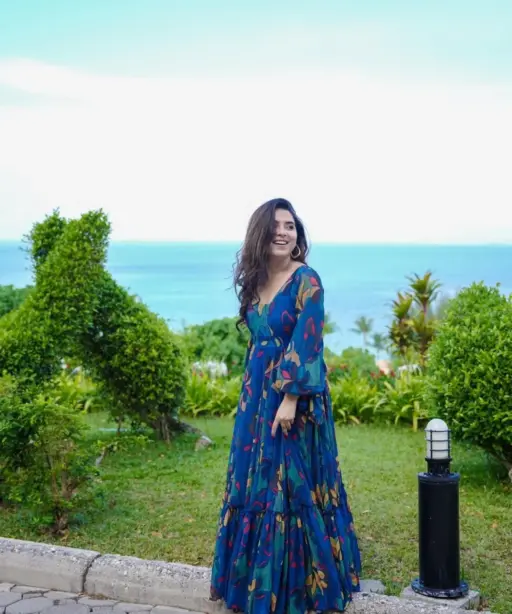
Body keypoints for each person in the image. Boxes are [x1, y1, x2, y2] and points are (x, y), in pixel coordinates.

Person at [210, 198, 361, 614]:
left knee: (289, 482)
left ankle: (299, 587)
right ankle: (253, 582)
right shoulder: (256, 280)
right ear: (260, 233)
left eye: (290, 226)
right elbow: (259, 342)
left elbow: (308, 340)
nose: (283, 232)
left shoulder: (306, 280)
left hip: (294, 397)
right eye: (276, 225)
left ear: (297, 235)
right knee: (254, 479)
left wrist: (290, 398)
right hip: (255, 398)